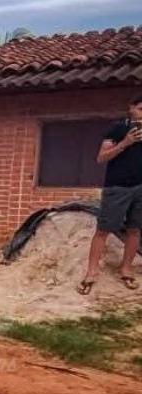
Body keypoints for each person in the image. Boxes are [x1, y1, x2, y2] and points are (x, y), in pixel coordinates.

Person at [78, 95, 142, 295]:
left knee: (134, 230)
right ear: (131, 108)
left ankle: (126, 270)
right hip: (117, 188)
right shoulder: (118, 129)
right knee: (103, 230)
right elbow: (101, 158)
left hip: (140, 188)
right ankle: (91, 272)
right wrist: (126, 142)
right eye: (141, 109)